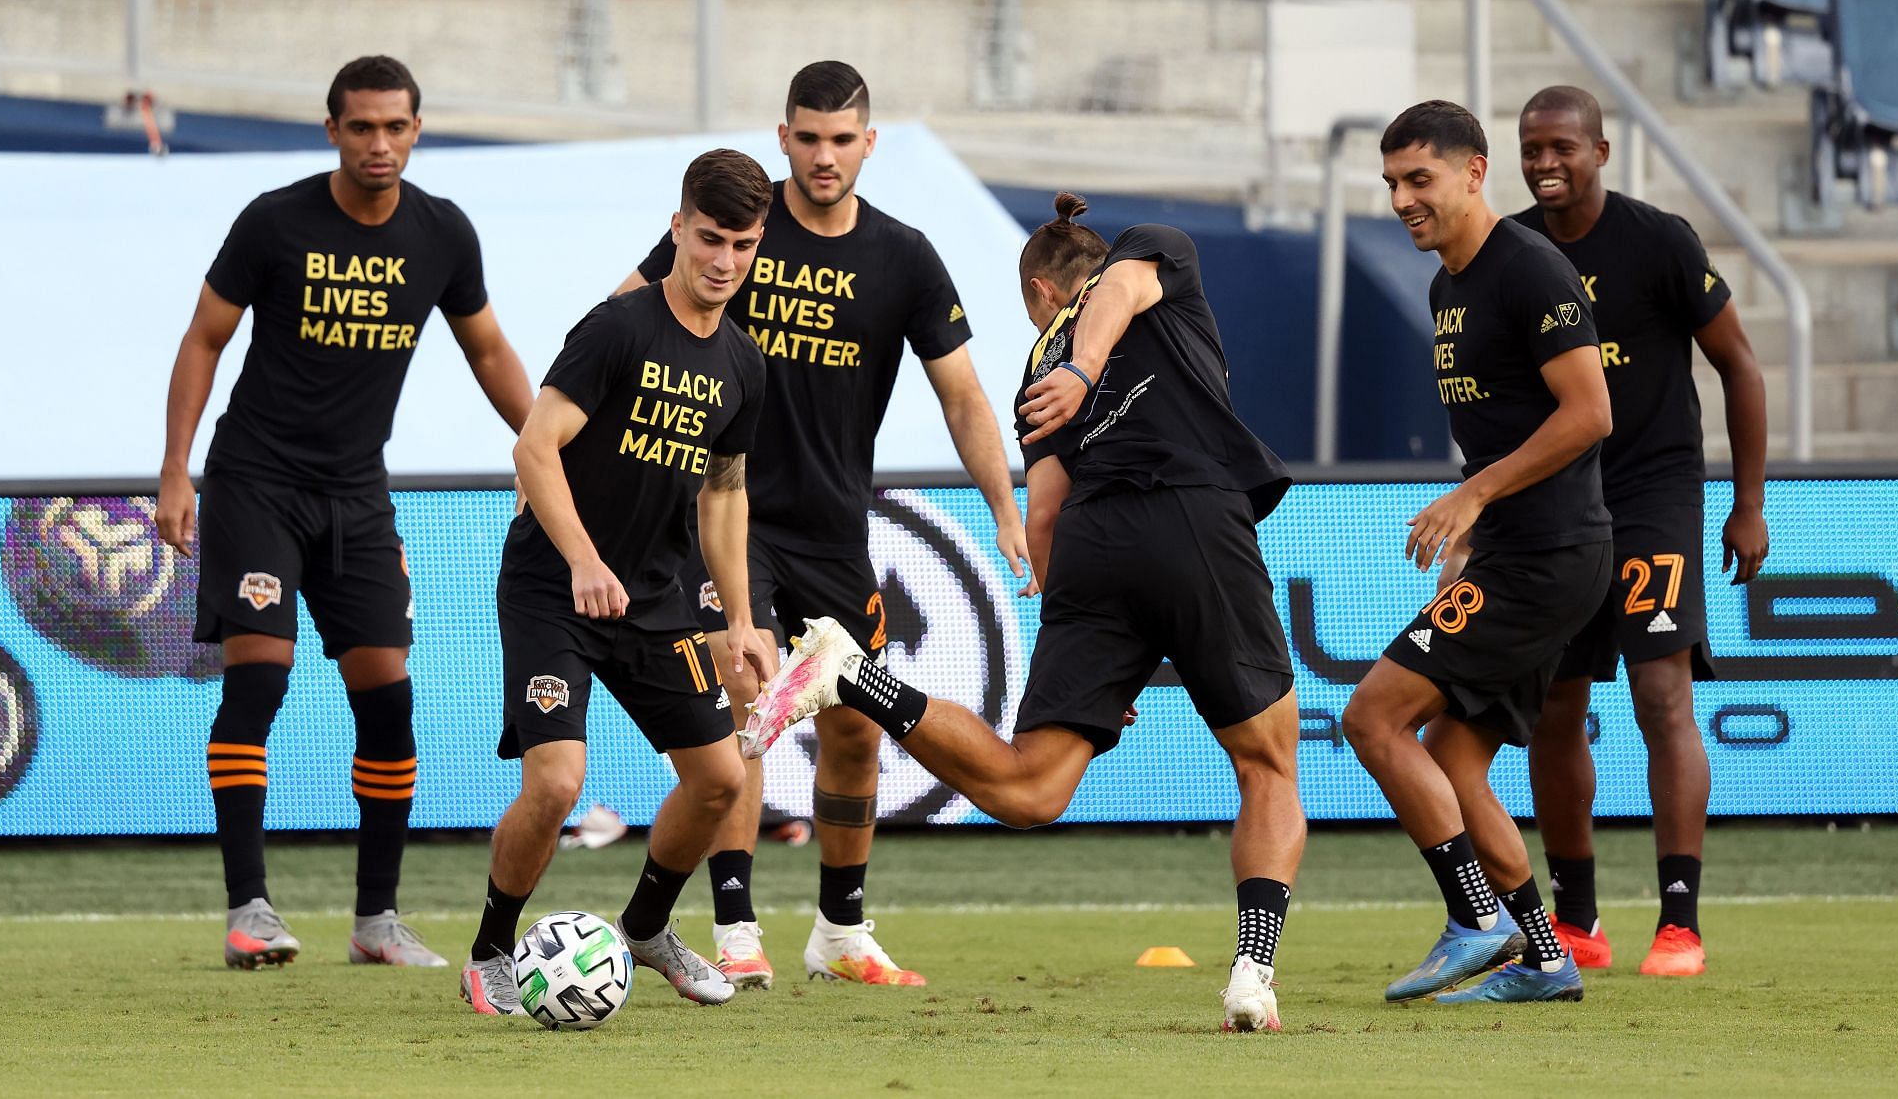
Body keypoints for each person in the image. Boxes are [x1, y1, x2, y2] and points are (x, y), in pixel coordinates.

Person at [740, 196, 1306, 1034]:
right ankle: (1253, 972)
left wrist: (1089, 657)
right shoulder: (1155, 251)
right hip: (1191, 516)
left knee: (1029, 789)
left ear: (1040, 290)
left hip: (1090, 551)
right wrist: (1084, 372)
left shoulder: (1041, 368)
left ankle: (853, 675)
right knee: (1267, 764)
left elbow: (1044, 518)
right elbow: (1115, 293)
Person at [615, 61, 1027, 989]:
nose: (824, 156)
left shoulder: (905, 257)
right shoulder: (743, 234)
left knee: (854, 726)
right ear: (783, 137)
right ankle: (733, 925)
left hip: (839, 528)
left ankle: (841, 931)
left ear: (869, 143)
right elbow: (628, 312)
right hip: (729, 512)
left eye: (842, 139)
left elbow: (961, 394)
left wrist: (1008, 506)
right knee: (746, 690)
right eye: (807, 137)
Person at [153, 55, 534, 970]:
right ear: (332, 130)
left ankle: (377, 923)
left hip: (359, 494)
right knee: (261, 678)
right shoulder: (276, 221)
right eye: (360, 126)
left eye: (394, 126)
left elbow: (488, 351)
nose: (378, 143)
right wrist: (174, 469)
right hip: (255, 483)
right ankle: (250, 908)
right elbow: (205, 338)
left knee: (389, 698)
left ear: (416, 129)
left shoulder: (443, 233)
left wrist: (542, 451)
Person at [459, 149, 775, 1017]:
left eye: (743, 245)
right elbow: (534, 445)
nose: (724, 261)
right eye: (710, 238)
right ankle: (490, 954)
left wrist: (741, 618)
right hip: (552, 587)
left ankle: (644, 927)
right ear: (677, 229)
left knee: (721, 777)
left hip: (656, 597)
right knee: (557, 783)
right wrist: (582, 560)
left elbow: (723, 493)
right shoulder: (617, 328)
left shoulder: (745, 366)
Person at [1341, 99, 1613, 1005]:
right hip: (1513, 552)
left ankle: (1476, 918)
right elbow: (1498, 432)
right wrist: (1471, 533)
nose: (1402, 199)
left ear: (1473, 172)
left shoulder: (1530, 270)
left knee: (1373, 720)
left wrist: (1474, 495)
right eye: (1390, 184)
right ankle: (1543, 956)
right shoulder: (1446, 286)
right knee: (1455, 761)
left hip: (1547, 557)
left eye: (1419, 179)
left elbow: (1590, 414)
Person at [1513, 86, 1768, 978]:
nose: (1545, 164)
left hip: (1654, 496)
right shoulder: (1510, 250)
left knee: (1662, 701)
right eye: (1531, 149)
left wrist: (1747, 502)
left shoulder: (1658, 240)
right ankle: (1576, 919)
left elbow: (1739, 364)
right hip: (1554, 503)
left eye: (1562, 148)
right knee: (1554, 710)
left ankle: (1680, 922)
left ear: (1601, 152)